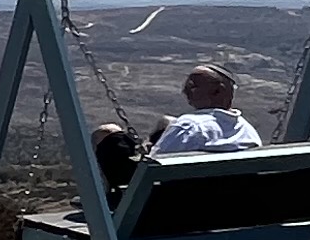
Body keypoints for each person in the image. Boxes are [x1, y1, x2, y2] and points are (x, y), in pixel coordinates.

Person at [93, 64, 265, 199]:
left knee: (107, 133)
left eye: (193, 86)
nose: (185, 91)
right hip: (224, 201)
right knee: (166, 121)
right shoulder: (247, 131)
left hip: (167, 205)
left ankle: (105, 196)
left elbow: (152, 169)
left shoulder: (189, 126)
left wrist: (147, 152)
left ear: (217, 91)